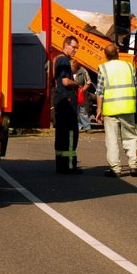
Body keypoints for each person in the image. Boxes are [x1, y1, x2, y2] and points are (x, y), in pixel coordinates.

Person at [95, 43, 137, 177]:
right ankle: (134, 165)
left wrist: (99, 110)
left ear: (105, 55)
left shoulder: (103, 68)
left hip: (111, 110)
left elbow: (100, 92)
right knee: (130, 137)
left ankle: (116, 169)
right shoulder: (129, 66)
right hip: (128, 107)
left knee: (112, 140)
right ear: (118, 52)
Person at [53, 36, 82, 174]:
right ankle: (70, 166)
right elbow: (65, 81)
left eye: (77, 48)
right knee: (71, 133)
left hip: (60, 99)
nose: (75, 50)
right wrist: (77, 84)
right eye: (74, 47)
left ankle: (61, 165)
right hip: (66, 100)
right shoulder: (64, 60)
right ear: (66, 45)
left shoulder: (57, 59)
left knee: (61, 134)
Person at [70, 58, 93, 132]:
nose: (71, 70)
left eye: (72, 68)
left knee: (82, 111)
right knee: (73, 110)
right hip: (71, 93)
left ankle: (87, 127)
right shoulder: (67, 71)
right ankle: (77, 127)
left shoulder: (83, 71)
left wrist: (82, 90)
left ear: (76, 67)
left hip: (80, 93)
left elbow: (88, 82)